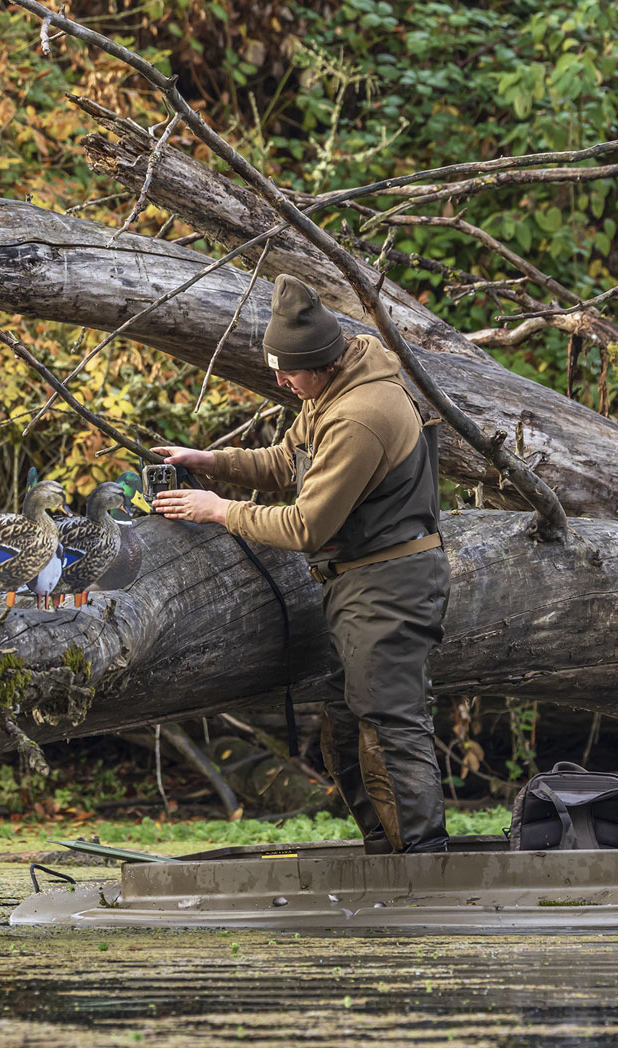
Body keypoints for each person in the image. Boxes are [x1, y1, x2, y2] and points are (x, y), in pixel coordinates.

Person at [152, 274, 450, 855]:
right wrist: (212, 461)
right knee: (343, 730)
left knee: (389, 727)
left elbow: (305, 525)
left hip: (389, 586)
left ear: (319, 361)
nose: (280, 381)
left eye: (287, 371)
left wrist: (218, 510)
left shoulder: (360, 416)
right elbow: (290, 460)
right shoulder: (331, 391)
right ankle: (385, 853)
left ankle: (421, 863)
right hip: (355, 586)